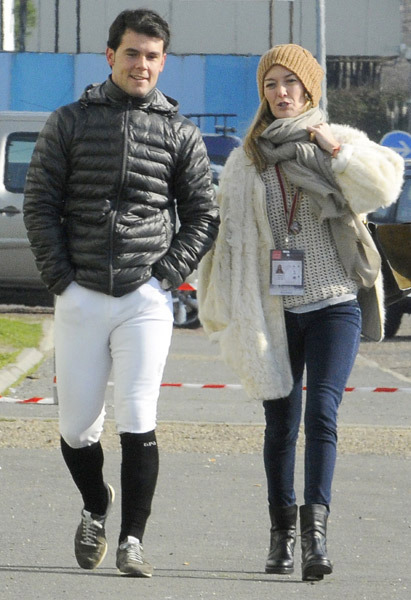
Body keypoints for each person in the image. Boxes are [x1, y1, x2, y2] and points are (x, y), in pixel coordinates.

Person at [24, 8, 219, 577]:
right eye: (132, 53)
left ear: (163, 62)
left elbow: (203, 212)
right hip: (79, 293)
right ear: (111, 56)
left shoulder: (181, 132)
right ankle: (95, 505)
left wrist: (165, 275)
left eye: (152, 56)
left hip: (145, 298)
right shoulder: (69, 121)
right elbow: (40, 204)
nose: (142, 65)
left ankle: (133, 538)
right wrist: (62, 279)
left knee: (139, 415)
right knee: (76, 427)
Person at [198, 44, 404, 581]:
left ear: (310, 89)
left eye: (292, 82)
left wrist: (334, 149)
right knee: (280, 425)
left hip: (335, 302)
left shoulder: (339, 141)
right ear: (263, 93)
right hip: (275, 311)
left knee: (322, 414)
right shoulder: (248, 158)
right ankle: (281, 534)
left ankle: (316, 539)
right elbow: (233, 239)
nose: (281, 92)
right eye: (271, 84)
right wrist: (227, 307)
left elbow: (382, 187)